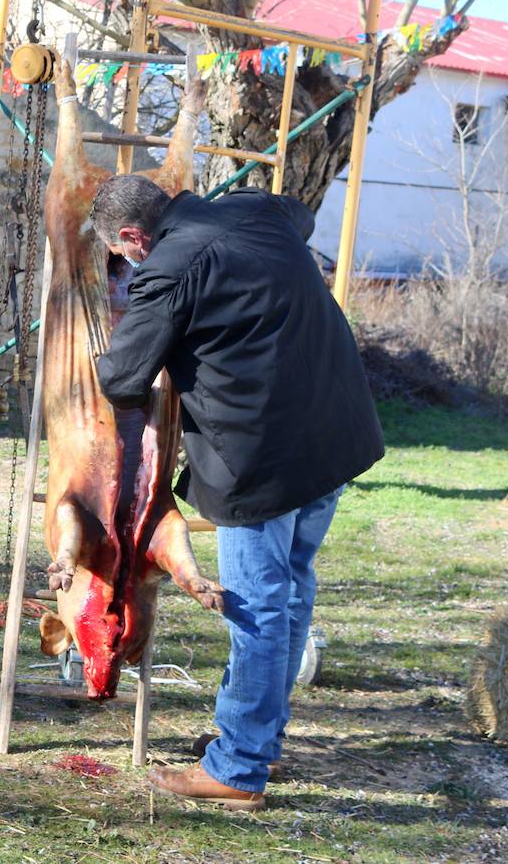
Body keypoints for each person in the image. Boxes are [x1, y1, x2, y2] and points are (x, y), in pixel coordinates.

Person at [91, 174, 384, 811]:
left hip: (261, 459)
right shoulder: (257, 210)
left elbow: (123, 376)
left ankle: (239, 767)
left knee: (255, 606)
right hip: (334, 430)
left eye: (120, 254)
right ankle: (259, 738)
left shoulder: (166, 269)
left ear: (134, 237)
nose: (126, 264)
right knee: (290, 589)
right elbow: (300, 216)